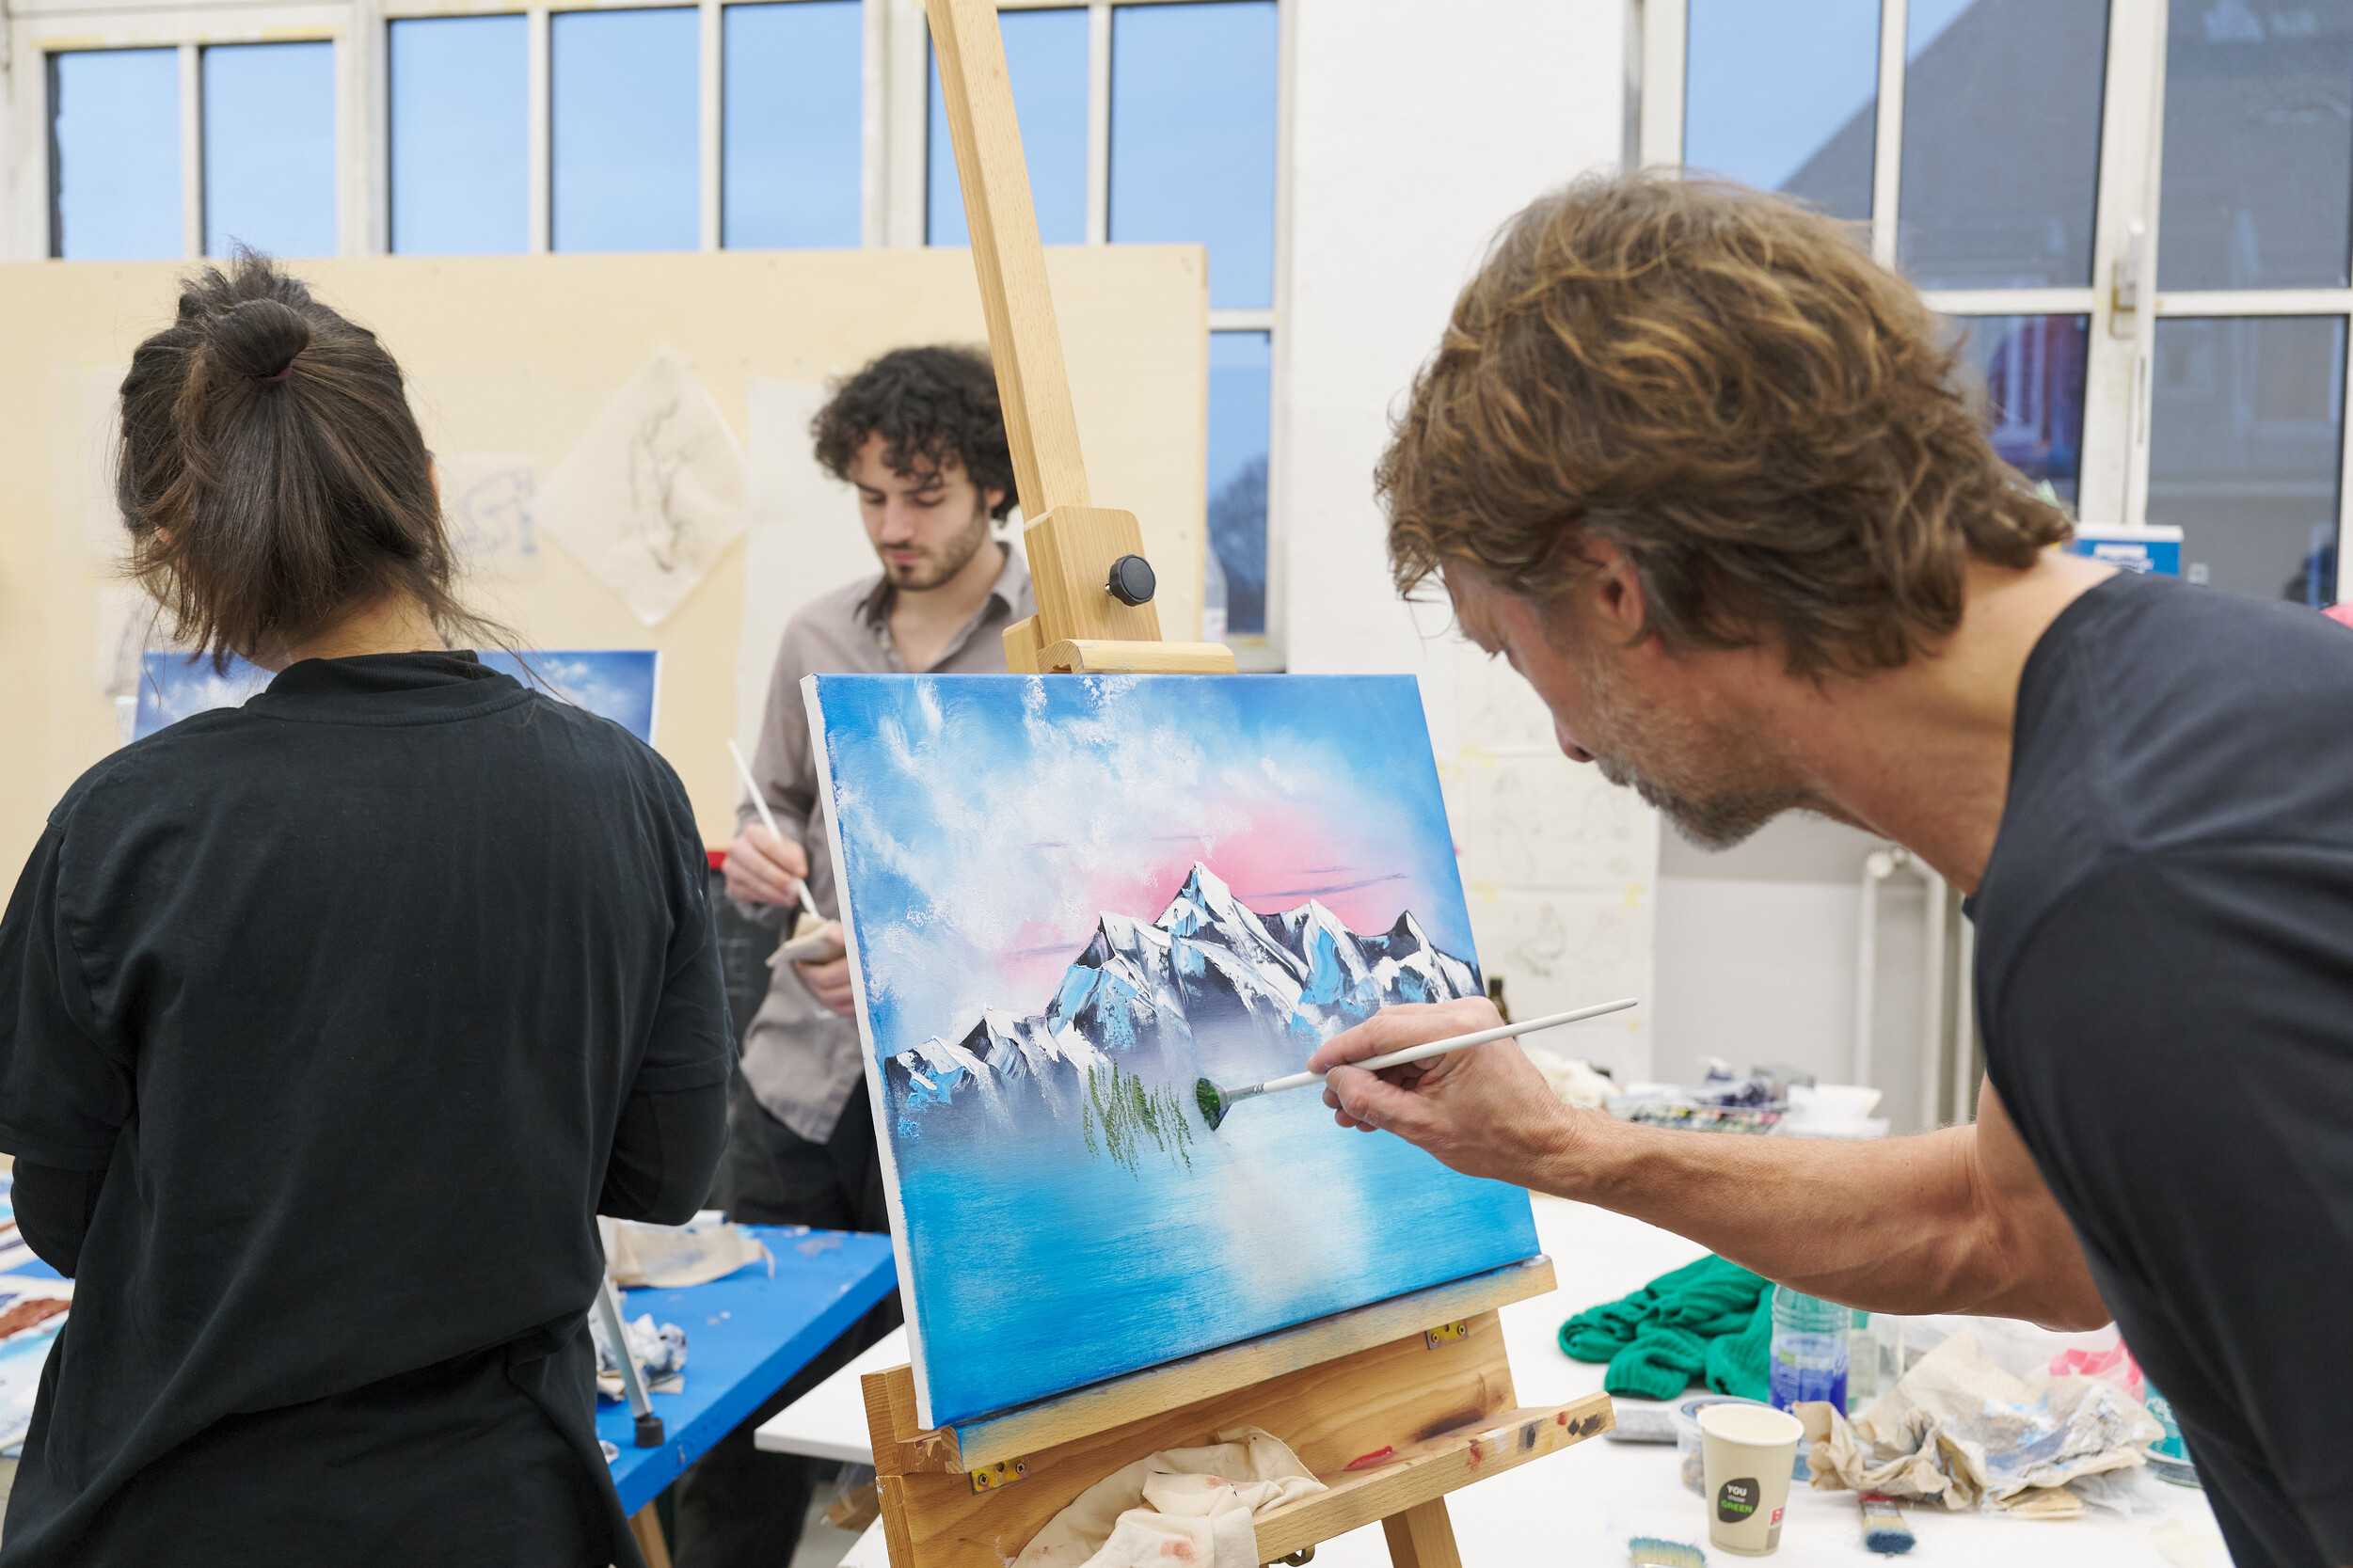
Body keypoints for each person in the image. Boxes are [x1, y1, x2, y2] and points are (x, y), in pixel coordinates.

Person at [1308, 171, 2353, 1568]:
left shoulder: (2143, 900)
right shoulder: (2178, 708)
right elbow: (2013, 1237)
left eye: (1518, 651)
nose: (1563, 741)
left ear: (1616, 590)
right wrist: (1563, 1149)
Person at [0, 253, 731, 1568]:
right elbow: (662, 1175)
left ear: (172, 549)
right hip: (503, 1513)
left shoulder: (124, 826)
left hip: (179, 1512)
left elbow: (61, 1218)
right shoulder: (626, 793)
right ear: (428, 493)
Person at [673, 345, 1033, 1566]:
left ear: (992, 486)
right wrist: (761, 858)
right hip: (799, 1087)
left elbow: (1079, 882)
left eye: (922, 498)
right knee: (741, 1423)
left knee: (951, 1432)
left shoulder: (1046, 644)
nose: (892, 527)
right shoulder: (816, 632)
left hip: (964, 1095)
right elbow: (768, 808)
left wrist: (909, 961)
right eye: (871, 497)